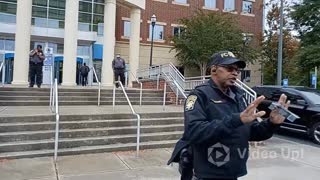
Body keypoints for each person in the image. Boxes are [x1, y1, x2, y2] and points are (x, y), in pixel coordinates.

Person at [168, 51, 290, 180]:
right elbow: (194, 131)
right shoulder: (199, 95)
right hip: (207, 173)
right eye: (229, 68)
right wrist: (236, 120)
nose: (235, 73)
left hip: (232, 171)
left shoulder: (239, 96)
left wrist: (271, 123)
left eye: (237, 70)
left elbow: (251, 132)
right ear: (214, 69)